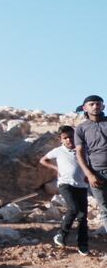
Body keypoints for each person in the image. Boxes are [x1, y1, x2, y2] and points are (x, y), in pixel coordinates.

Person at [40, 125, 90, 254]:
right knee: (73, 208)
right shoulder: (58, 151)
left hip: (82, 185)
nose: (69, 140)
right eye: (65, 138)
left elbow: (90, 163)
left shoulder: (83, 150)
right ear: (61, 139)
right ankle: (61, 235)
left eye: (71, 137)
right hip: (65, 184)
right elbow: (43, 160)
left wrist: (88, 175)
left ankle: (83, 245)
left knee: (83, 216)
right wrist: (56, 169)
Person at [74, 94, 107, 237]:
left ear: (103, 106)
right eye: (92, 104)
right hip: (97, 173)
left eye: (98, 103)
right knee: (105, 208)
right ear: (84, 108)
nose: (95, 106)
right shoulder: (81, 129)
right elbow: (79, 153)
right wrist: (89, 174)